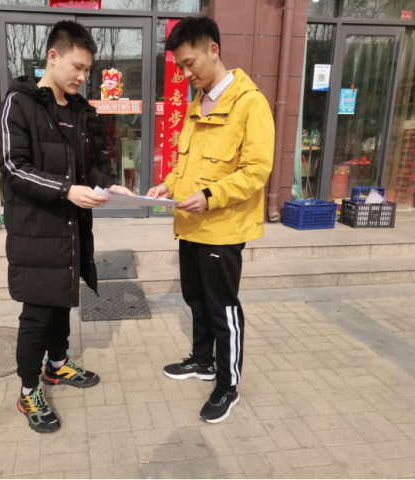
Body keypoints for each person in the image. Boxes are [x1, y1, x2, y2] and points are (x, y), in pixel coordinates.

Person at [0, 21, 133, 434]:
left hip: (71, 229)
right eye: (77, 66)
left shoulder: (79, 110)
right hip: (36, 230)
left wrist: (109, 184)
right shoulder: (18, 104)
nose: (82, 76)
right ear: (52, 56)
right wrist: (66, 190)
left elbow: (90, 166)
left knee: (62, 302)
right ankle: (28, 390)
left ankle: (57, 364)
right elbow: (13, 167)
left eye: (87, 69)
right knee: (38, 314)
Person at [148, 16, 274, 424]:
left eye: (190, 64)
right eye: (180, 67)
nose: (186, 74)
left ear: (213, 50)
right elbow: (187, 164)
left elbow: (256, 171)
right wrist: (167, 185)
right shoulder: (197, 104)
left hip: (222, 228)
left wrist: (209, 197)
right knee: (196, 299)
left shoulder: (249, 103)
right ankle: (202, 360)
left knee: (223, 308)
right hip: (191, 225)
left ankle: (227, 384)